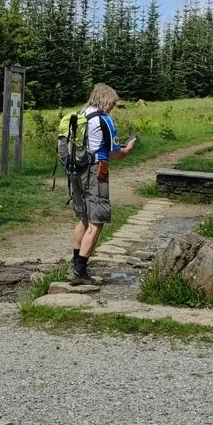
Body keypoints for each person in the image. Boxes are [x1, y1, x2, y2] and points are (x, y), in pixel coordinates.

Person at [68, 83, 134, 285]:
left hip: (76, 169)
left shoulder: (81, 114)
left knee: (82, 218)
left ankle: (75, 263)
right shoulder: (104, 120)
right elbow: (116, 153)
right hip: (96, 171)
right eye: (113, 103)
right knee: (97, 221)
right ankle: (80, 272)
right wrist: (128, 149)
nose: (113, 107)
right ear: (107, 100)